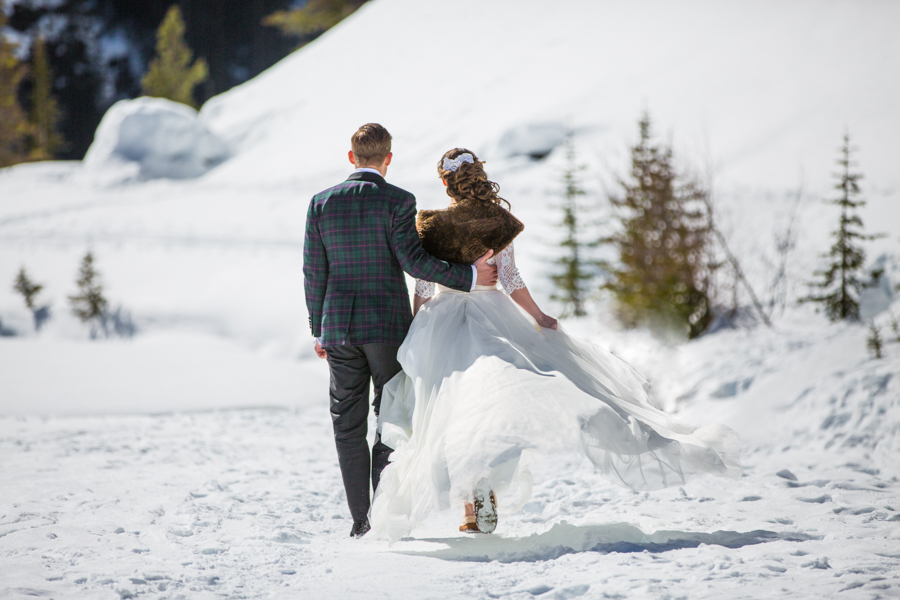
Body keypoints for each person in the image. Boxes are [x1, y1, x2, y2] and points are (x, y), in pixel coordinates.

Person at [369, 148, 742, 542]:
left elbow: (424, 285)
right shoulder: (498, 221)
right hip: (494, 318)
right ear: (478, 175)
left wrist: (415, 323)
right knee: (491, 407)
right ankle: (482, 491)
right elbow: (510, 278)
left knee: (446, 411)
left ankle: (468, 499)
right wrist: (538, 317)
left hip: (443, 321)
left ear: (446, 182)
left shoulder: (430, 225)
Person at [303, 126, 499, 538]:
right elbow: (414, 262)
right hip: (387, 326)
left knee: (347, 425)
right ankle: (385, 512)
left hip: (337, 328)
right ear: (388, 158)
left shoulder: (319, 204)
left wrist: (317, 328)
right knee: (390, 418)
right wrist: (467, 274)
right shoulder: (398, 201)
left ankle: (361, 520)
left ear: (351, 157)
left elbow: (313, 272)